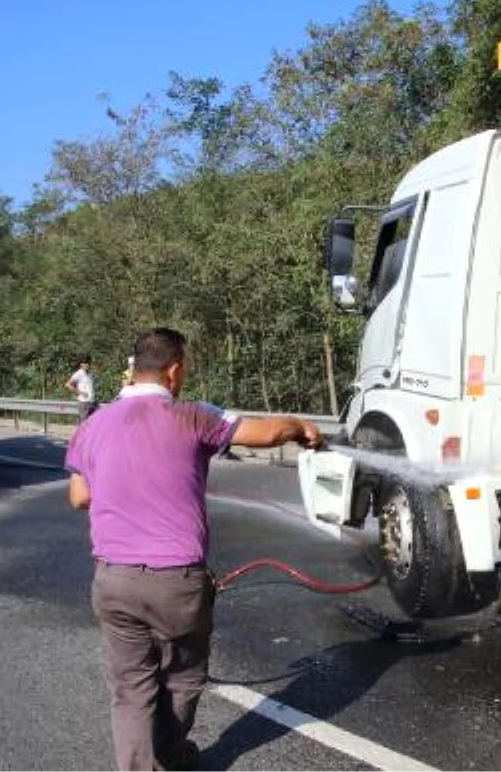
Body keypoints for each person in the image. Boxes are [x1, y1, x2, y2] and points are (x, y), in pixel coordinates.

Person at [65, 327, 322, 772]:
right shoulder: (193, 416)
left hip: (113, 580)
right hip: (176, 581)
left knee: (131, 689)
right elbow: (264, 433)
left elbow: (79, 497)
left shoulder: (91, 425)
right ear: (174, 369)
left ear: (133, 368)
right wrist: (300, 427)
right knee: (182, 679)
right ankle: (170, 757)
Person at [66, 356, 97, 423]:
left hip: (92, 402)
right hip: (84, 403)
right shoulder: (79, 374)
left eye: (88, 363)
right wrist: (80, 393)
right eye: (85, 363)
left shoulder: (90, 373)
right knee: (84, 425)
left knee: (93, 424)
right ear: (81, 364)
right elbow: (68, 385)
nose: (87, 365)